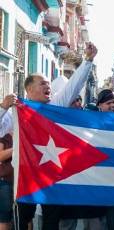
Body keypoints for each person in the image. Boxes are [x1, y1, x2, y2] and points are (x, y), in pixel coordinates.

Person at [0, 42, 97, 230]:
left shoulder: (54, 107)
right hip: (25, 175)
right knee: (23, 219)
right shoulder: (17, 111)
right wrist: (3, 107)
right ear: (29, 90)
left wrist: (88, 61)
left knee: (51, 221)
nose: (48, 86)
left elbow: (73, 87)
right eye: (42, 83)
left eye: (48, 83)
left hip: (52, 173)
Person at [0, 134, 12, 230]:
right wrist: (16, 147)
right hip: (6, 182)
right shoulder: (7, 138)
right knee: (4, 218)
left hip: (24, 183)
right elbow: (0, 156)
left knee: (25, 217)